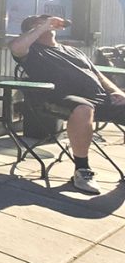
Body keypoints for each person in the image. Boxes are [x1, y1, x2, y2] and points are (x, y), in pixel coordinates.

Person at [9, 14, 125, 194]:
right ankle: (82, 170)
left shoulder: (74, 51)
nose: (49, 22)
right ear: (32, 29)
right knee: (83, 108)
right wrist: (43, 26)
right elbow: (16, 47)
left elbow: (99, 75)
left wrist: (116, 91)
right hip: (61, 98)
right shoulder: (32, 50)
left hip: (100, 98)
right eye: (40, 20)